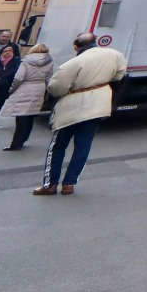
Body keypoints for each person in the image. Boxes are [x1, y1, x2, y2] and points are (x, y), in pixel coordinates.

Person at [34, 33, 127, 196]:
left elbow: (56, 88)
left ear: (76, 47)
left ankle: (50, 184)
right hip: (98, 105)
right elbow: (119, 75)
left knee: (57, 146)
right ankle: (69, 184)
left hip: (72, 107)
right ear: (95, 42)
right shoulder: (115, 55)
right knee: (83, 146)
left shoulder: (73, 63)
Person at [1, 43, 53, 151]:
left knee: (21, 117)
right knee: (30, 115)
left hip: (25, 88)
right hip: (39, 88)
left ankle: (16, 144)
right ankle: (23, 139)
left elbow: (19, 78)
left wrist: (11, 90)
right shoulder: (49, 61)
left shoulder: (26, 61)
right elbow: (49, 78)